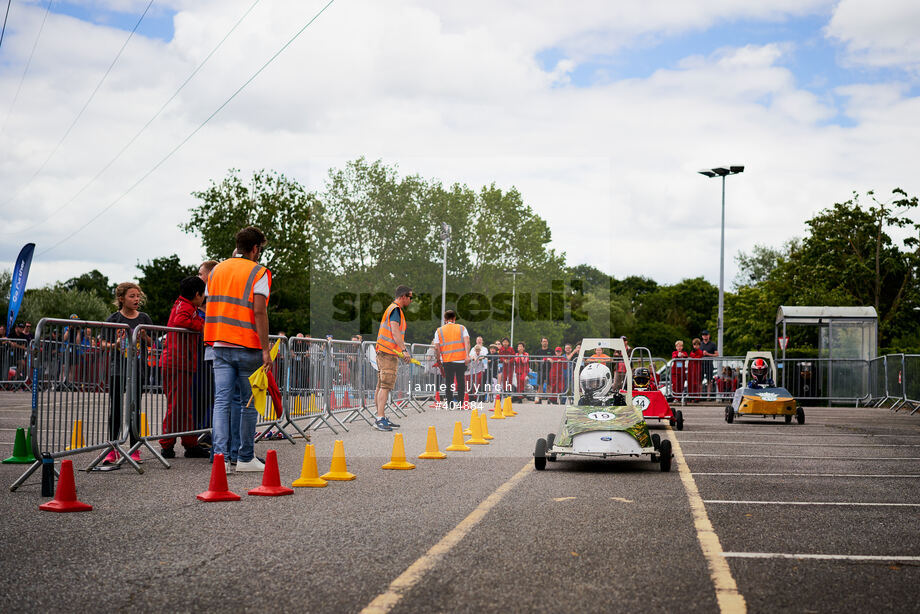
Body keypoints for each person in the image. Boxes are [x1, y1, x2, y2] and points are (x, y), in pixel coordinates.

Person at [204, 227, 272, 473]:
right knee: (247, 404)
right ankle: (244, 458)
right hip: (247, 344)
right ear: (255, 249)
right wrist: (266, 349)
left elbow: (210, 302)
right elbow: (260, 311)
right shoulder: (259, 272)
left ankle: (220, 457)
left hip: (219, 343)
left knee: (221, 401)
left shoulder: (217, 270)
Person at [158, 276, 210, 459]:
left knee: (185, 406)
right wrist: (202, 326)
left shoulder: (188, 306)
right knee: (176, 406)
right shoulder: (183, 307)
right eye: (203, 294)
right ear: (197, 294)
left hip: (183, 363)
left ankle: (190, 443)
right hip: (176, 363)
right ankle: (167, 444)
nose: (204, 297)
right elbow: (180, 321)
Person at [101, 283, 153, 464]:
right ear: (121, 299)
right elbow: (102, 344)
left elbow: (152, 343)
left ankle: (134, 449)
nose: (136, 299)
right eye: (132, 296)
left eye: (138, 296)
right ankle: (112, 449)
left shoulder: (144, 318)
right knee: (115, 408)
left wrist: (145, 337)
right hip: (118, 369)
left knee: (135, 409)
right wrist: (114, 344)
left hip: (138, 369)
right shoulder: (113, 319)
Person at [373, 285, 413, 431]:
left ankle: (380, 416)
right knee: (385, 386)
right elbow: (395, 332)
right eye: (410, 297)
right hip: (388, 353)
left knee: (381, 385)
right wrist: (404, 350)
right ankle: (379, 418)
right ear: (403, 296)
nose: (411, 300)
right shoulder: (395, 310)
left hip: (383, 351)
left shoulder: (392, 309)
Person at [434, 310, 471, 409]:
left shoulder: (439, 331)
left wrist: (438, 360)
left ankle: (450, 403)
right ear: (454, 319)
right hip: (460, 360)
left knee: (449, 382)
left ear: (445, 319)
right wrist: (467, 356)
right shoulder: (462, 328)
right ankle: (460, 403)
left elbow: (437, 348)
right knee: (460, 381)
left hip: (447, 360)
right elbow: (467, 341)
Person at [532, 336, 553, 404]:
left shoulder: (551, 351)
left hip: (549, 370)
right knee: (540, 385)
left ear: (548, 342)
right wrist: (540, 363)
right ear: (541, 342)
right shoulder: (538, 351)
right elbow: (535, 361)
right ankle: (540, 399)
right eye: (543, 341)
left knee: (549, 385)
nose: (545, 343)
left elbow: (553, 360)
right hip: (540, 370)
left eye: (546, 341)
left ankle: (549, 399)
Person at [469, 336, 489, 402]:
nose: (479, 341)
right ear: (476, 341)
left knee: (482, 383)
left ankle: (482, 398)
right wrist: (475, 358)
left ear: (482, 341)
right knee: (474, 383)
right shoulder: (472, 349)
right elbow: (471, 356)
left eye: (480, 340)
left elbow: (485, 357)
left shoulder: (485, 349)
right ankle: (474, 397)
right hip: (474, 370)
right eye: (478, 340)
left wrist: (478, 358)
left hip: (483, 369)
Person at [699, 330, 718, 397]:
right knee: (700, 380)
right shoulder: (700, 344)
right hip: (701, 364)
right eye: (703, 335)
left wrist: (708, 354)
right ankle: (700, 395)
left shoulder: (712, 344)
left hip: (709, 364)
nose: (705, 336)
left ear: (709, 335)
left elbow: (716, 354)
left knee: (709, 380)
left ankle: (708, 395)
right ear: (702, 336)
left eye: (706, 335)